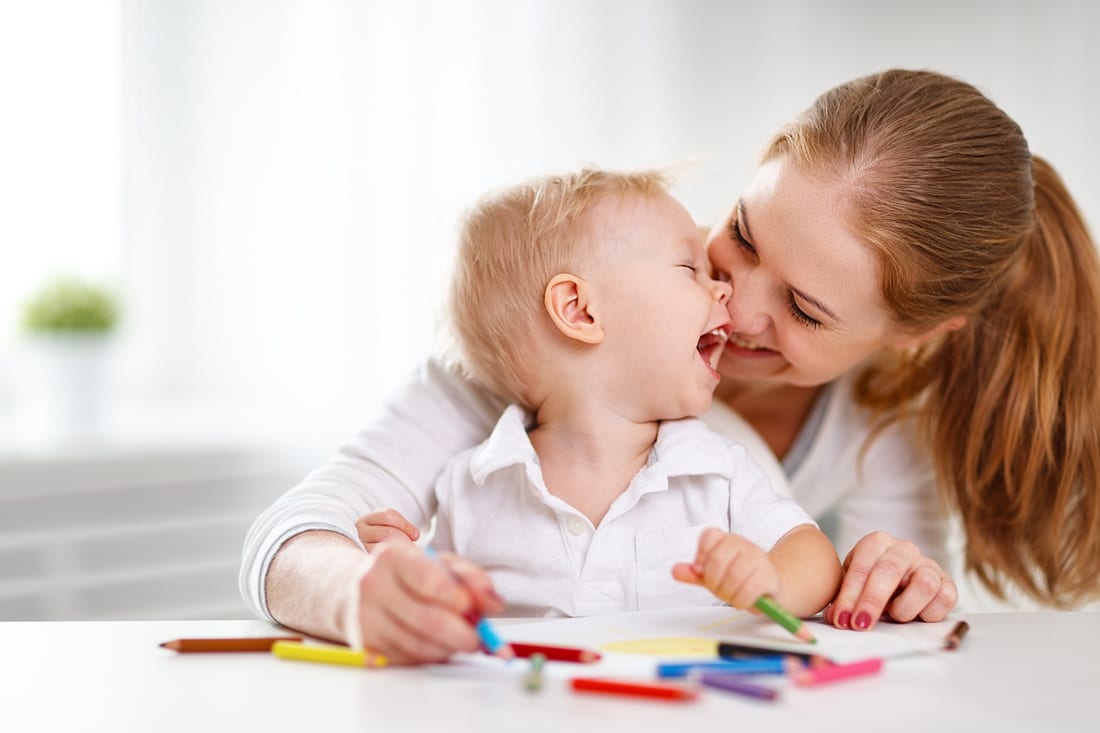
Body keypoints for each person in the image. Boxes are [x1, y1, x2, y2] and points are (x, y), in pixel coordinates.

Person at [241, 68, 1100, 657]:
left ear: (914, 335)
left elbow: (866, 640)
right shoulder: (545, 345)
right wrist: (361, 592)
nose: (736, 299)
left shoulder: (885, 425)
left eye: (803, 309)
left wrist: (894, 584)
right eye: (742, 234)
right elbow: (288, 538)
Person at [377, 168, 839, 628]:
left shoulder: (716, 469)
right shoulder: (472, 487)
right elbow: (444, 611)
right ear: (579, 310)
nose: (724, 289)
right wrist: (401, 571)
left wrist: (772, 582)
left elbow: (813, 555)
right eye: (688, 269)